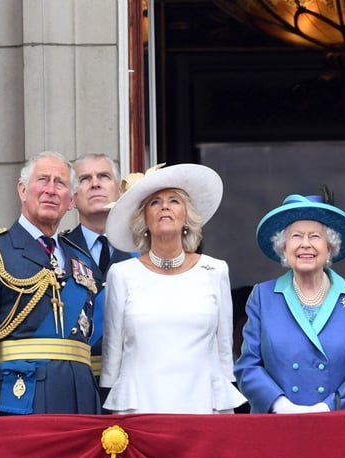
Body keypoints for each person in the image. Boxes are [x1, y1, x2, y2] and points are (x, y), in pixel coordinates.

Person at [0, 151, 102, 416]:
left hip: (81, 406)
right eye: (42, 180)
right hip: (19, 403)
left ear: (71, 201)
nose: (50, 190)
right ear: (22, 190)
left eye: (60, 183)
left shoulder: (83, 261)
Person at [100, 163, 246, 413]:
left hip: (202, 405)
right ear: (143, 220)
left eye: (174, 200)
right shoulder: (122, 274)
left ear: (187, 216)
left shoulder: (215, 270)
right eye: (155, 202)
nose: (165, 206)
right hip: (140, 408)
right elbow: (113, 355)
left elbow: (224, 355)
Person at [234, 193, 345, 413]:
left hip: (339, 424)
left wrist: (328, 407)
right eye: (296, 236)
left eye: (315, 236)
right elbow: (248, 366)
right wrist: (280, 405)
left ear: (330, 247)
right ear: (284, 248)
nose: (305, 244)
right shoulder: (263, 296)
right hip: (276, 425)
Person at [63, 153, 133, 380]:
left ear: (120, 192)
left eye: (104, 176)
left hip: (131, 381)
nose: (95, 183)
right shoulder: (58, 252)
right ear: (72, 199)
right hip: (78, 381)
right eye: (84, 179)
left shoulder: (142, 252)